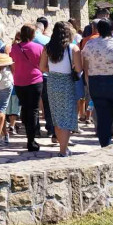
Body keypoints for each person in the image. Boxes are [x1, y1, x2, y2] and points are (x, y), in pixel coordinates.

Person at [39, 22, 82, 157]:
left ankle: (62, 148)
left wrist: (53, 71)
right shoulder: (73, 48)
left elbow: (42, 67)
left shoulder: (47, 48)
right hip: (66, 82)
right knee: (67, 116)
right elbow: (79, 69)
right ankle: (63, 150)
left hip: (52, 82)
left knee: (57, 116)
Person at [9, 24, 44, 152]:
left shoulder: (14, 48)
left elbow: (13, 63)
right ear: (32, 35)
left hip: (19, 82)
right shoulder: (39, 47)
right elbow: (42, 64)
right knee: (34, 110)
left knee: (25, 107)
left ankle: (28, 133)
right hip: (35, 81)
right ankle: (31, 140)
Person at [33, 17, 55, 142]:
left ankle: (35, 129)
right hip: (46, 75)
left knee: (33, 105)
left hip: (31, 77)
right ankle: (51, 129)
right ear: (43, 29)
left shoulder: (26, 41)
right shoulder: (47, 40)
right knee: (48, 104)